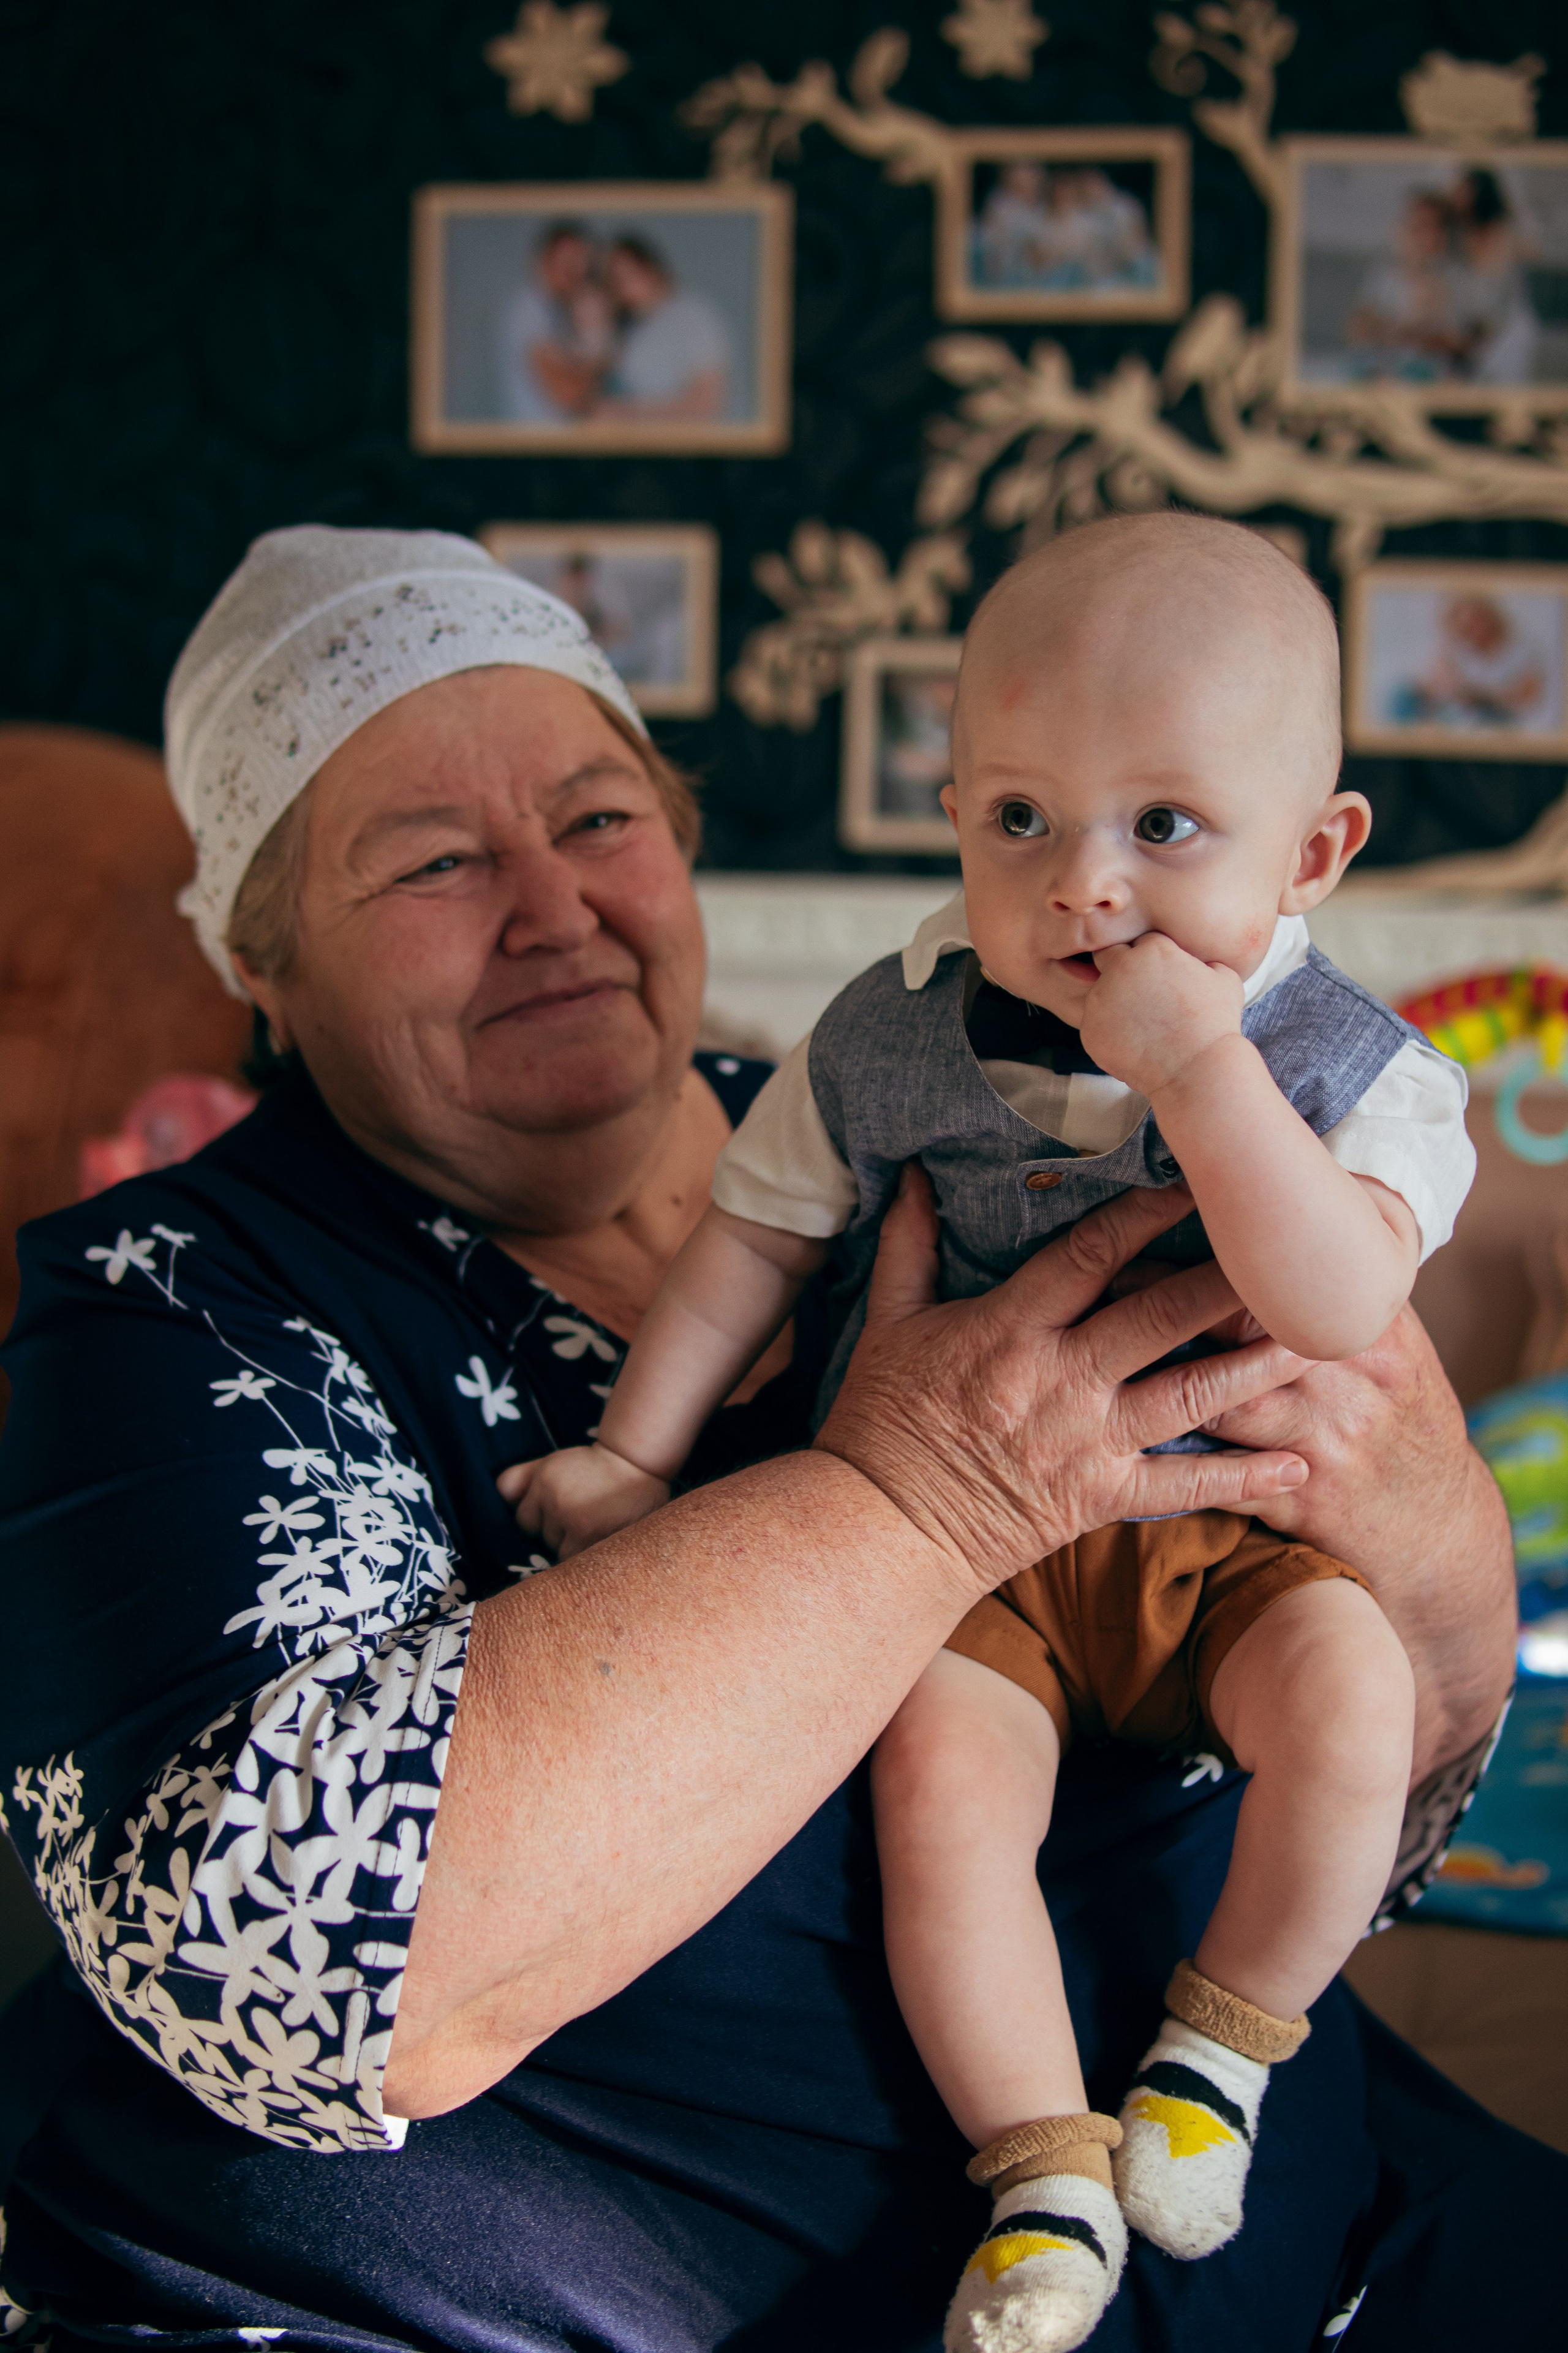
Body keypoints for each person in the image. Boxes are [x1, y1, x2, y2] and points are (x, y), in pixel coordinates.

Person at [0, 527, 1545, 2350]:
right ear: (262, 961)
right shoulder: (165, 1303)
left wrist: (1417, 1506)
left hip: (1318, 2212)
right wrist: (922, 1492)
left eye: (596, 818)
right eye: (432, 859)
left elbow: (1413, 1769)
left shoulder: (931, 1110)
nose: (548, 903)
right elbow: (301, 1962)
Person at [508, 515, 1480, 2352]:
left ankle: (1217, 2047)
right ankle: (1035, 2165)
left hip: (1235, 1552)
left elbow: (1336, 1302)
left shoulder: (1360, 1070)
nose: (1084, 888)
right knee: (941, 1805)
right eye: (1019, 818)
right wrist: (638, 1452)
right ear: (949, 805)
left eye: (1165, 828)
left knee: (1352, 1714)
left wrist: (1202, 1072)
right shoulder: (885, 1037)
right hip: (984, 1563)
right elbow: (753, 1238)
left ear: (1315, 852)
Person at [593, 233, 731, 421]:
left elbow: (707, 404)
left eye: (628, 272)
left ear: (650, 268)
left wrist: (624, 414)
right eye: (613, 278)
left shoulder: (690, 314)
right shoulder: (634, 329)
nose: (622, 285)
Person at [497, 222, 616, 423]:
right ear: (544, 260)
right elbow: (568, 394)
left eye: (582, 262)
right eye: (568, 261)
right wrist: (603, 356)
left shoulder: (557, 310)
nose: (577, 270)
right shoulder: (529, 311)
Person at [1400, 592, 1548, 731]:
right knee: (1403, 696)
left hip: (1498, 719)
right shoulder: (1456, 651)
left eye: (1477, 620)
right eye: (1465, 627)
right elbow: (1438, 686)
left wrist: (1483, 696)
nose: (1473, 630)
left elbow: (1528, 698)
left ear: (1490, 617)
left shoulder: (1519, 651)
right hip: (1458, 719)